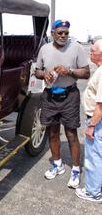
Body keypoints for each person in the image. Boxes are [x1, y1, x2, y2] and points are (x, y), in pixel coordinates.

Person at [35, 19, 90, 188]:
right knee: (52, 132)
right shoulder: (44, 49)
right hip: (50, 96)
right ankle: (57, 164)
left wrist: (70, 71)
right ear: (52, 33)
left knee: (71, 134)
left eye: (66, 32)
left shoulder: (77, 48)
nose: (64, 36)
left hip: (70, 95)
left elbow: (86, 72)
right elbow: (37, 71)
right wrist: (44, 75)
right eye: (60, 32)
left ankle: (75, 170)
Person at [75, 39, 102, 202]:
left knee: (94, 157)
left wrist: (91, 125)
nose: (89, 53)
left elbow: (100, 105)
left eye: (92, 51)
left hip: (97, 121)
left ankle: (93, 192)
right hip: (97, 120)